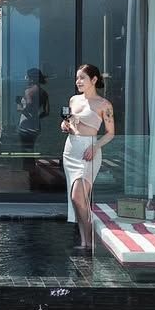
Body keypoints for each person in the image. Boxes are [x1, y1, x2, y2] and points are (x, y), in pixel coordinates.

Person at [59, 64, 116, 250]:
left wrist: (95, 146)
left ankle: (91, 238)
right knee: (77, 199)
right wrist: (65, 126)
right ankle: (84, 242)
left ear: (94, 80)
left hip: (89, 152)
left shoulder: (104, 105)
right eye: (77, 78)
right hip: (71, 149)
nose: (78, 81)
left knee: (78, 196)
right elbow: (68, 122)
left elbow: (110, 133)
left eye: (82, 78)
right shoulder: (73, 100)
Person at [16, 68, 50, 161]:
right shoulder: (44, 93)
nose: (25, 78)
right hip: (36, 125)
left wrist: (19, 104)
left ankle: (28, 171)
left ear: (31, 79)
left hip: (25, 125)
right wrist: (37, 117)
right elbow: (46, 112)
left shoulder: (28, 91)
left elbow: (28, 105)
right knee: (31, 149)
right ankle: (32, 171)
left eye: (27, 76)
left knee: (24, 151)